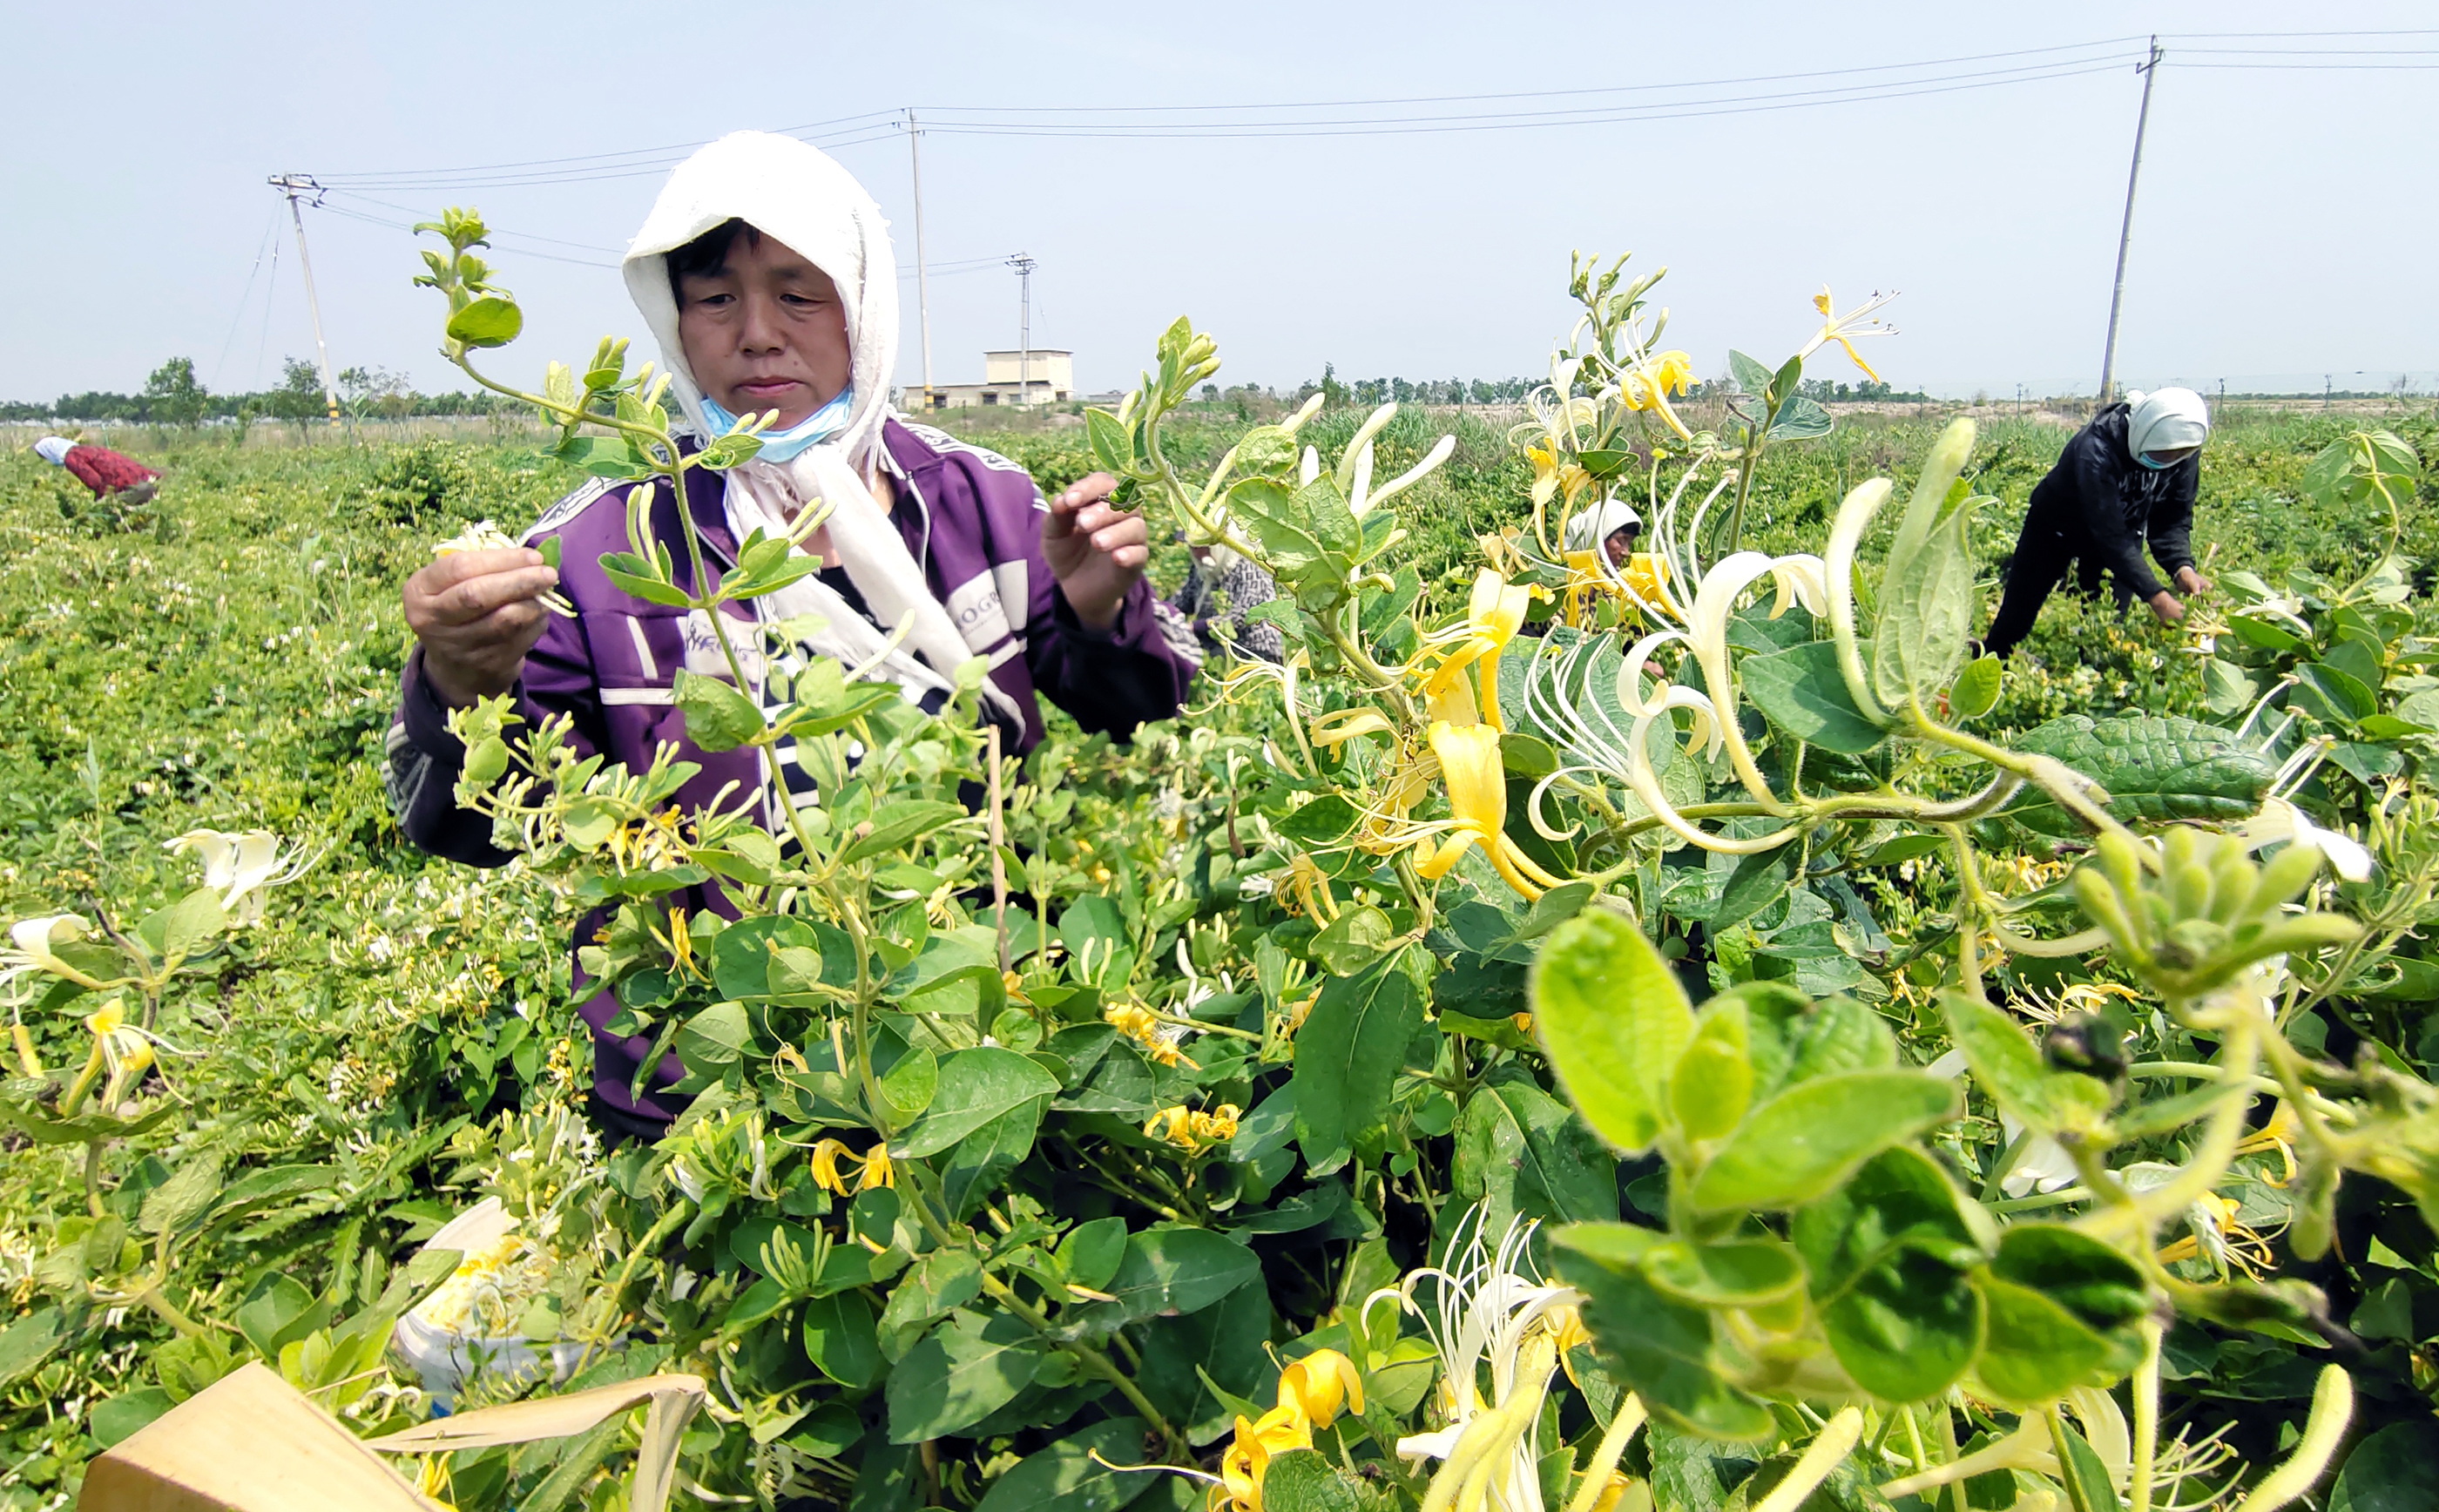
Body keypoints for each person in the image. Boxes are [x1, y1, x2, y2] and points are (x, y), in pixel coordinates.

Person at [384, 132, 1194, 1139]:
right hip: (700, 1092)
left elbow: (1135, 707)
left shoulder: (986, 503)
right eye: (716, 298)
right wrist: (461, 683)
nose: (758, 334)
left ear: (863, 307)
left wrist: (1094, 608)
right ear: (674, 321)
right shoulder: (599, 548)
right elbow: (464, 825)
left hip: (967, 1052)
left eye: (799, 293)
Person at [1983, 388, 2212, 658]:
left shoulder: (2181, 450)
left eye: (2178, 456)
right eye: (2161, 455)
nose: (2167, 463)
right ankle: (1991, 663)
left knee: (2106, 626)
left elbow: (2172, 518)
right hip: (2055, 529)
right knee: (2017, 616)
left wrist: (2181, 566)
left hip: (2122, 533)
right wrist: (2158, 599)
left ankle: (2088, 682)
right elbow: (2108, 532)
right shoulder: (2097, 448)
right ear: (2143, 433)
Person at [33, 435, 160, 505]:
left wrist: (100, 503)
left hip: (134, 486)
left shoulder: (71, 458)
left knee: (111, 511)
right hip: (144, 477)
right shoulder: (83, 450)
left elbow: (94, 481)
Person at [1564, 498, 1642, 567]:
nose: (1626, 552)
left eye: (1629, 544)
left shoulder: (1617, 579)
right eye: (1620, 541)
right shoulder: (1562, 570)